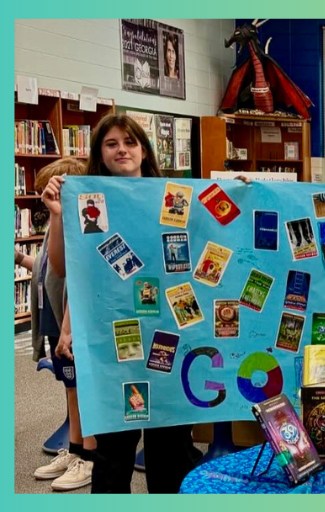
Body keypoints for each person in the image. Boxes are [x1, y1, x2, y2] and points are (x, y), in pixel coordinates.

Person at [42, 114, 201, 494]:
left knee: (170, 447)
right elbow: (68, 269)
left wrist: (241, 192)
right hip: (112, 341)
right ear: (99, 153)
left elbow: (213, 231)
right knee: (113, 451)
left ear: (144, 150)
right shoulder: (86, 201)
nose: (122, 150)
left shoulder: (173, 197)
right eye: (111, 144)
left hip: (168, 334)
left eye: (129, 142)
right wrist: (58, 216)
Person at [18, 157, 100, 492]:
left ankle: (90, 457)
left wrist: (70, 327)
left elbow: (75, 277)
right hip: (52, 319)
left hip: (70, 322)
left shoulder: (77, 226)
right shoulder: (55, 224)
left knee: (84, 391)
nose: (43, 198)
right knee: (70, 389)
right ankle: (76, 449)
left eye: (49, 192)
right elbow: (46, 266)